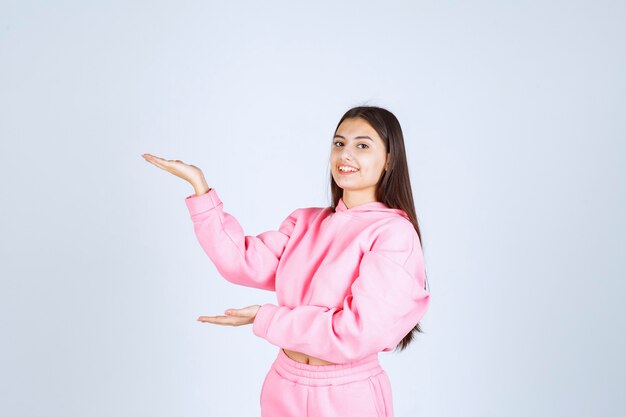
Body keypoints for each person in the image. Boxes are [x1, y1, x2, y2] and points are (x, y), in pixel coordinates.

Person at [142, 105, 430, 417]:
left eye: (362, 145)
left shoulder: (393, 234)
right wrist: (200, 189)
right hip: (283, 385)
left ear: (389, 159)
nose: (345, 155)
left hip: (348, 396)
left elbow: (355, 333)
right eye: (339, 143)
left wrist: (266, 318)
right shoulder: (304, 222)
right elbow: (241, 261)